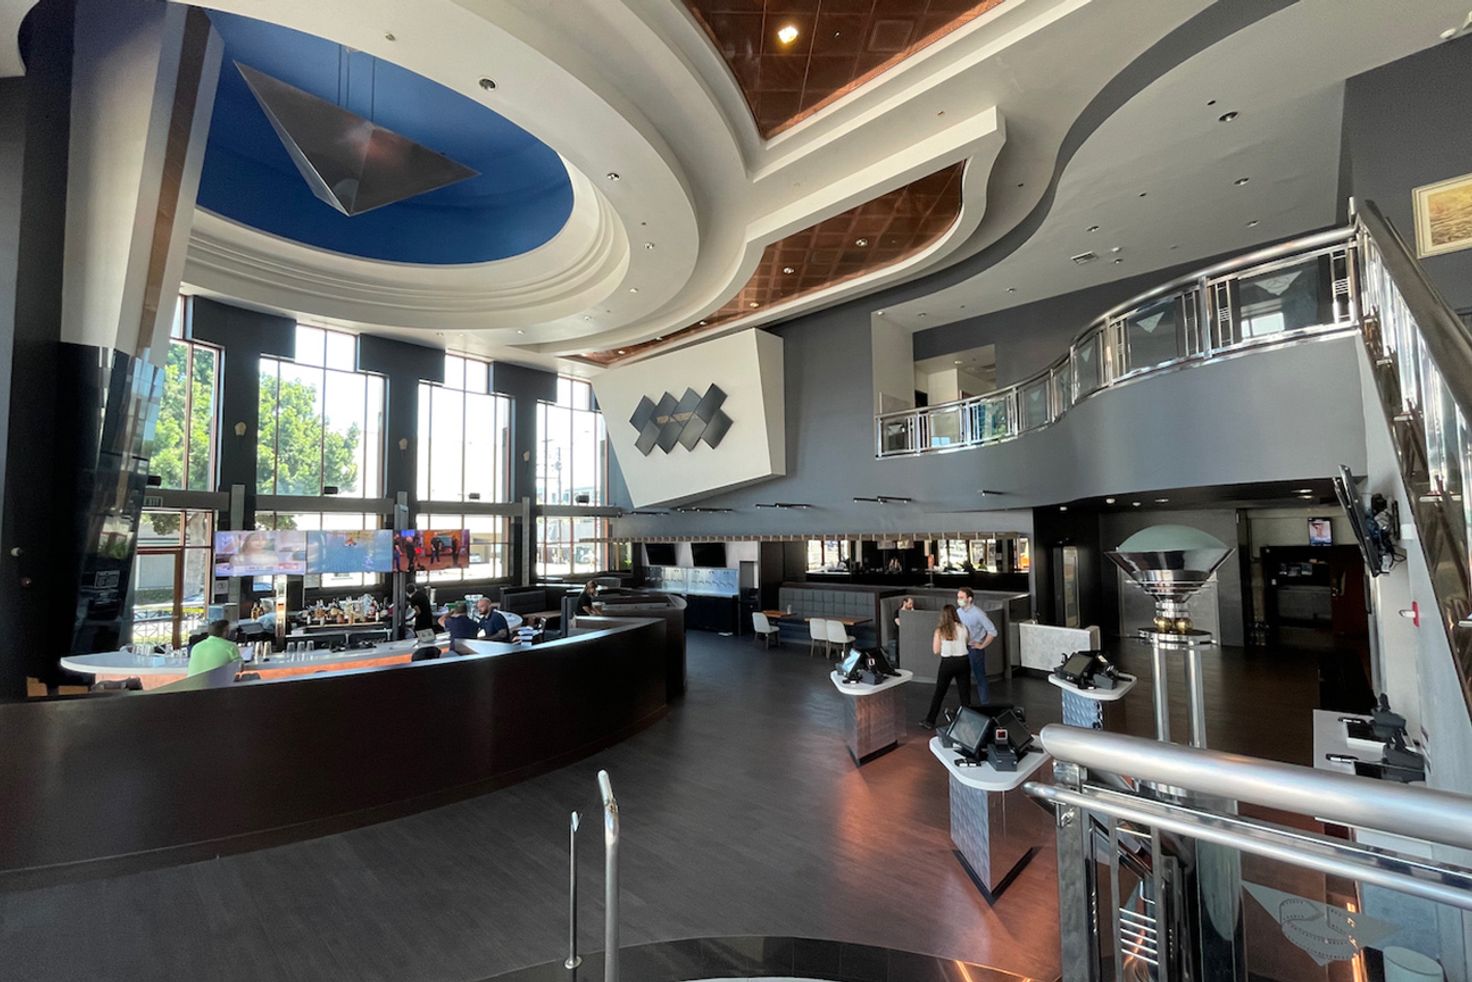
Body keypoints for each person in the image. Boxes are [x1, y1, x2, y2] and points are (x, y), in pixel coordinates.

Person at [919, 605, 972, 730]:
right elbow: (967, 642)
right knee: (965, 694)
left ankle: (930, 721)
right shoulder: (963, 627)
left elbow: (936, 650)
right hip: (963, 661)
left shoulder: (940, 631)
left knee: (939, 692)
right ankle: (970, 721)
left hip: (947, 663)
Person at [955, 586, 997, 704]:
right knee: (963, 678)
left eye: (961, 597)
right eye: (958, 597)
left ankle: (985, 704)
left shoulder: (978, 613)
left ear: (969, 599)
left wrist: (982, 645)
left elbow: (992, 631)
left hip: (974, 649)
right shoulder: (958, 612)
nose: (959, 600)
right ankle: (966, 704)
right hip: (961, 648)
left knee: (980, 677)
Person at [891, 596, 914, 667]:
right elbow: (899, 623)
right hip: (899, 634)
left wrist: (913, 612)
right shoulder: (897, 612)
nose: (911, 605)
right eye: (910, 604)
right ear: (904, 603)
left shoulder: (911, 612)